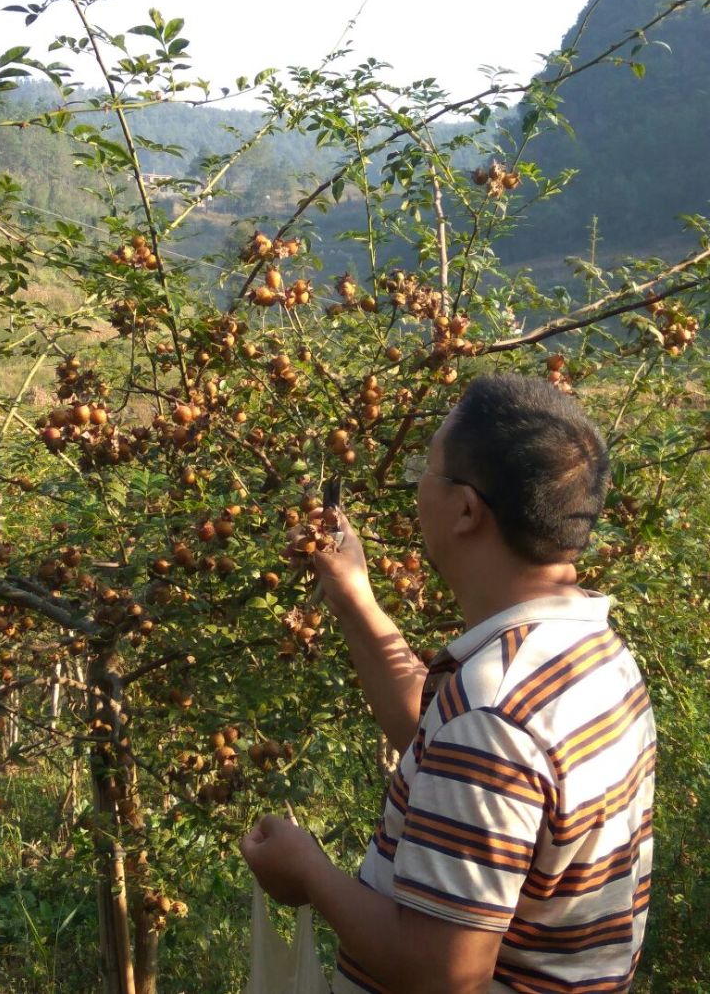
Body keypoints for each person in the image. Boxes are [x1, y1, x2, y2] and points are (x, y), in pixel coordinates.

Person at [241, 373, 656, 994]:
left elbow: (445, 975)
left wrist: (309, 875)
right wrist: (354, 595)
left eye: (425, 472)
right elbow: (441, 741)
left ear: (467, 509)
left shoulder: (494, 713)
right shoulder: (585, 652)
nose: (416, 490)